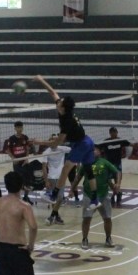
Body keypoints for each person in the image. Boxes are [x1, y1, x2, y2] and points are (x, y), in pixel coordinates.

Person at [33, 75, 100, 222]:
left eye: (61, 102)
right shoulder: (63, 109)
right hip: (87, 141)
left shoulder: (66, 122)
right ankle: (95, 200)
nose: (58, 101)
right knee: (89, 171)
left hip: (81, 144)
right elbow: (53, 92)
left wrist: (40, 142)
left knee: (65, 169)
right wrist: (41, 80)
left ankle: (53, 194)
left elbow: (56, 143)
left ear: (63, 107)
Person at [80, 145, 120, 249]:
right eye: (91, 150)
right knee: (86, 218)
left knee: (107, 218)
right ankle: (84, 239)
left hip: (103, 195)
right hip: (89, 195)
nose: (92, 152)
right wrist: (72, 189)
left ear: (99, 151)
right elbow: (78, 176)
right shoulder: (86, 163)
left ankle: (108, 238)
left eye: (94, 150)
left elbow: (117, 172)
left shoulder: (105, 162)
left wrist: (117, 184)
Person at [100, 127, 138, 206]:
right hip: (109, 165)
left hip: (117, 164)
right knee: (107, 180)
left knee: (117, 182)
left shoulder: (121, 141)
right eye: (112, 132)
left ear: (117, 133)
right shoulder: (106, 142)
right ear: (110, 133)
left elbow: (133, 145)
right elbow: (99, 149)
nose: (113, 134)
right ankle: (117, 192)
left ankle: (115, 195)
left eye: (115, 132)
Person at [5, 121, 33, 203]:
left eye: (20, 127)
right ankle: (17, 198)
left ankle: (26, 197)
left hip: (24, 162)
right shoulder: (11, 138)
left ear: (22, 128)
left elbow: (27, 148)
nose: (19, 129)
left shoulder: (25, 137)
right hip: (16, 163)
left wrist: (26, 158)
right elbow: (7, 150)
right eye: (18, 127)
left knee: (27, 180)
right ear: (15, 128)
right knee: (17, 180)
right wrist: (13, 158)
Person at [43, 143, 70, 225]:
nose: (53, 142)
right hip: (51, 177)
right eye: (51, 141)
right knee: (54, 199)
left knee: (60, 198)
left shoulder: (63, 148)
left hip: (61, 177)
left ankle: (53, 216)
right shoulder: (46, 152)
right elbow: (44, 167)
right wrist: (46, 181)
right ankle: (56, 217)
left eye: (55, 140)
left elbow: (74, 149)